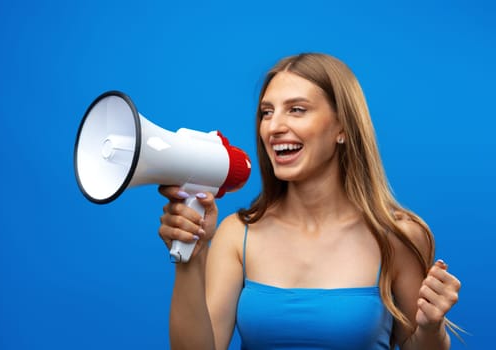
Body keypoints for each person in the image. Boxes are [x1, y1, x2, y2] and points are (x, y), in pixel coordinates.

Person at [157, 53, 461, 349]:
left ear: (342, 127)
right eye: (266, 112)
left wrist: (432, 327)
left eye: (297, 110)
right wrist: (191, 258)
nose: (273, 127)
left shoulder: (397, 237)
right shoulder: (237, 234)